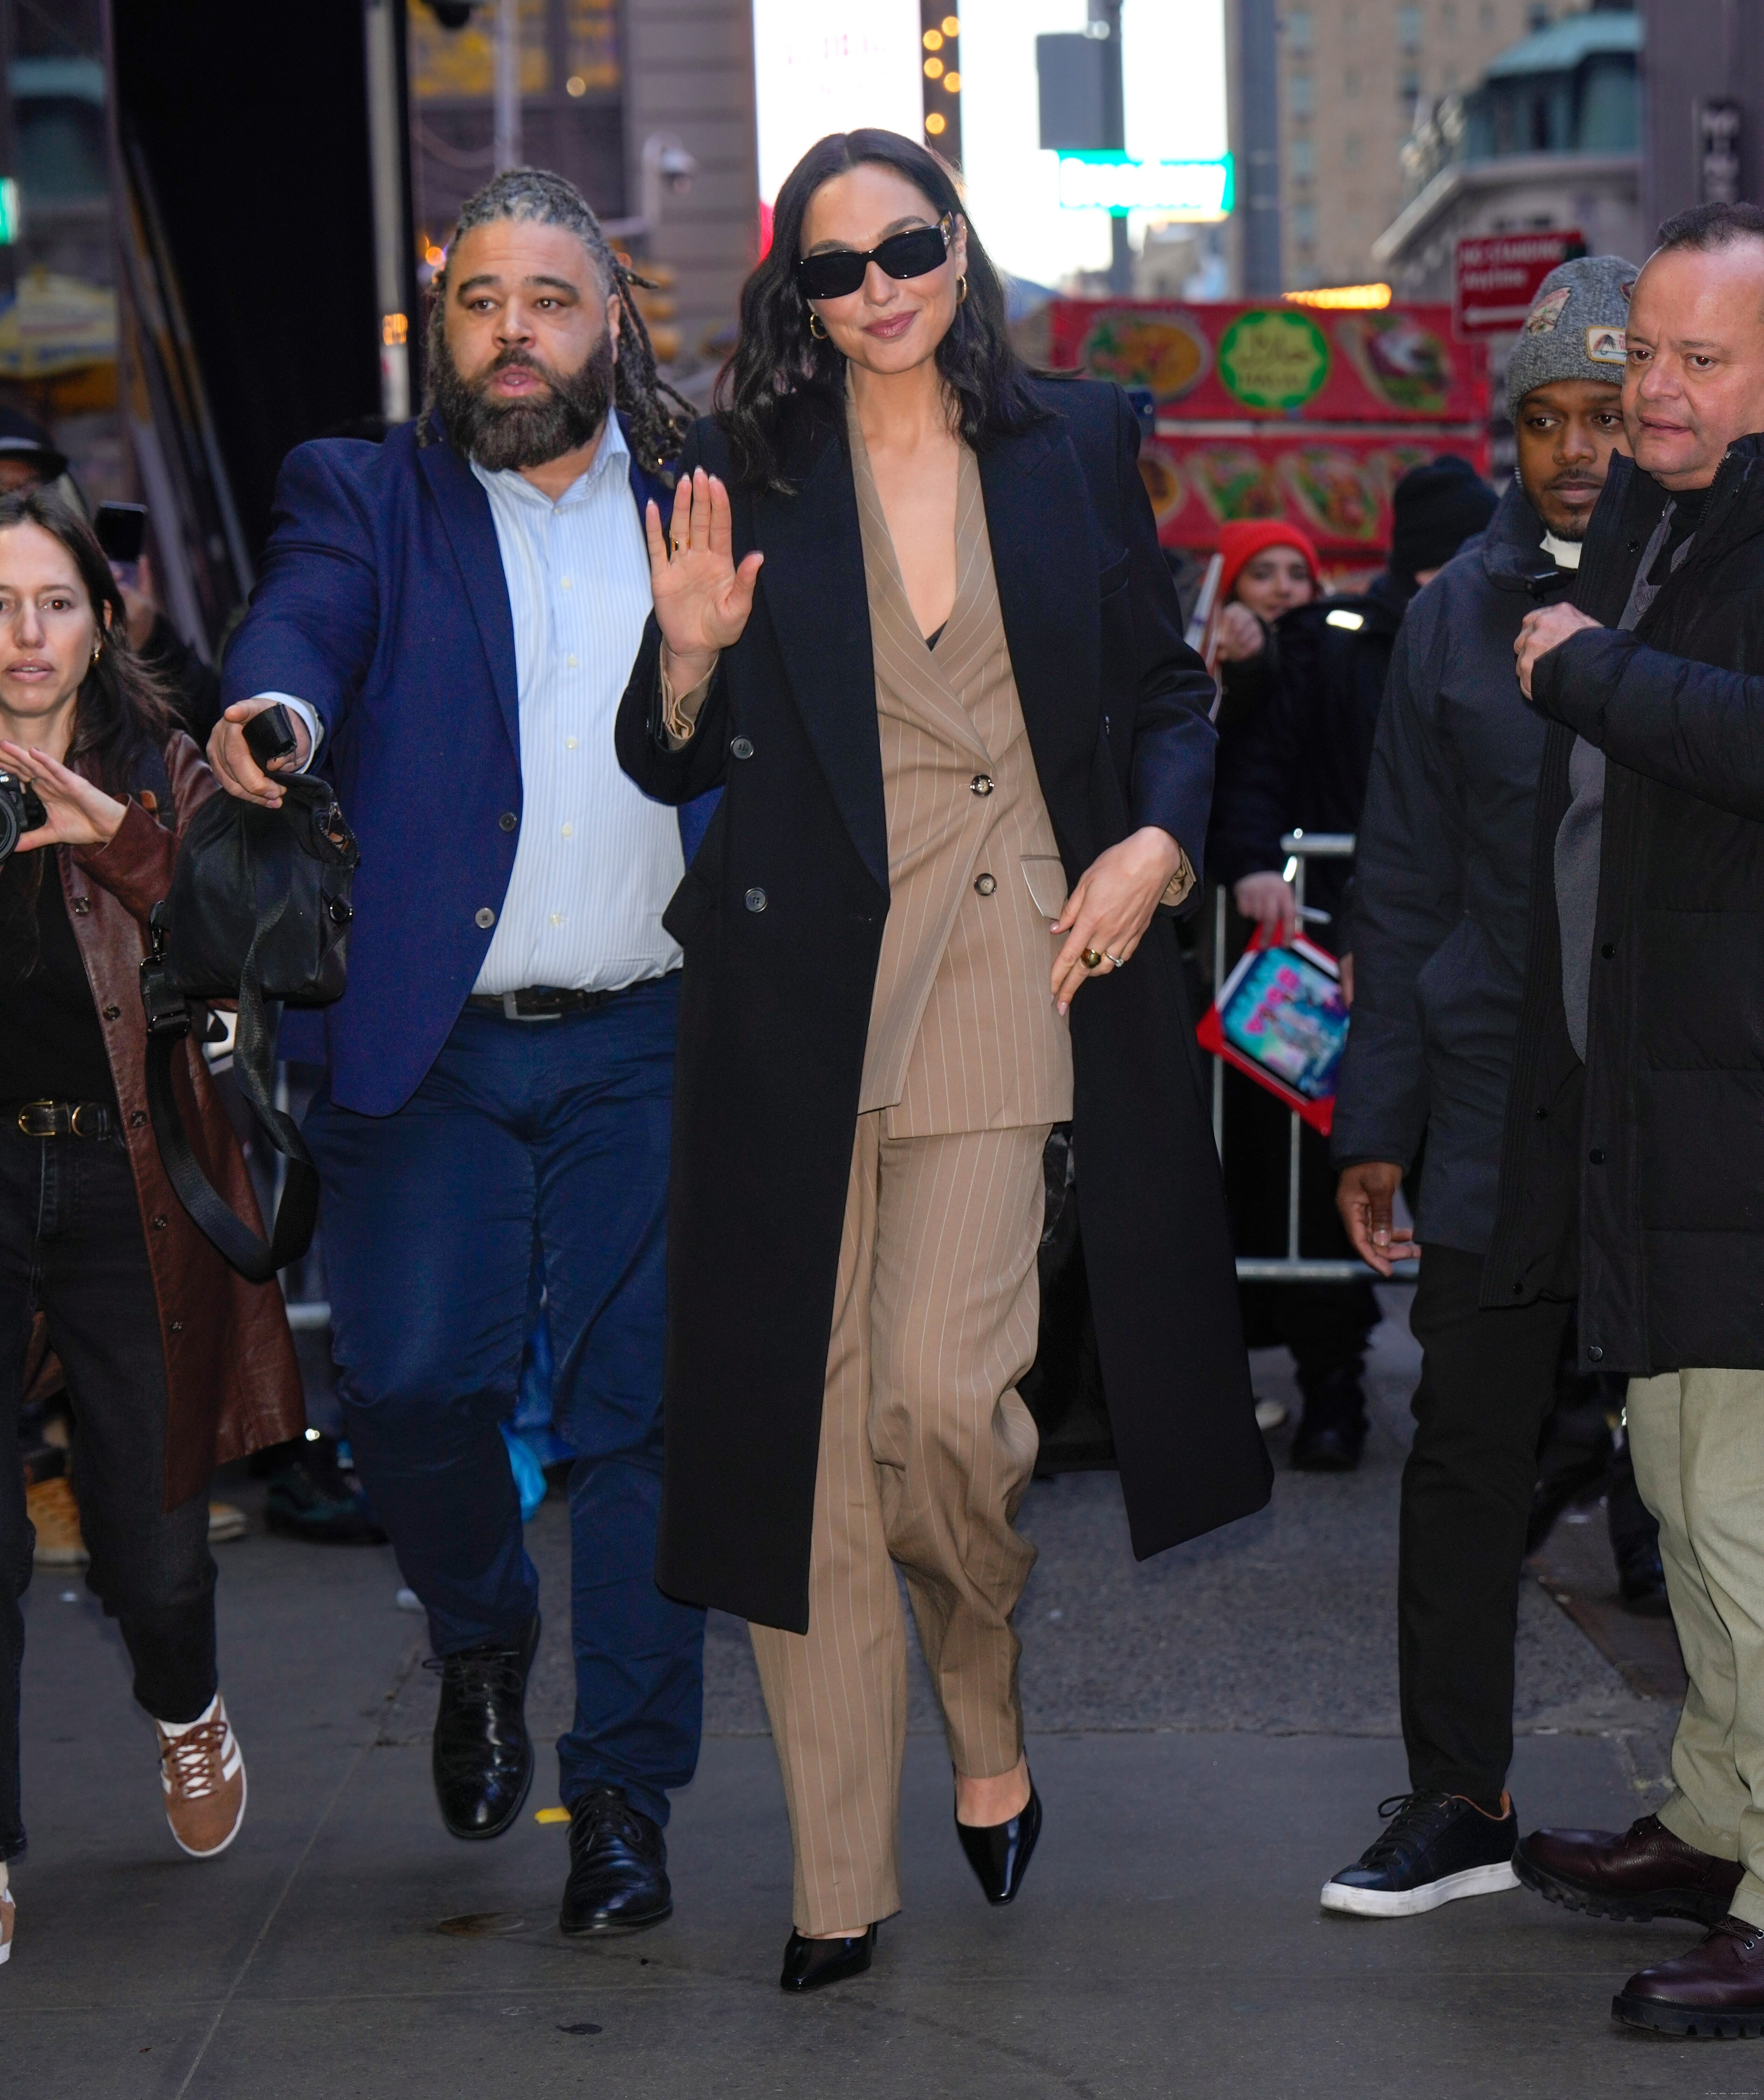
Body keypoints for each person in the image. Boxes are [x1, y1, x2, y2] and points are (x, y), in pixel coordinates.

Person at [614, 127, 1270, 1993]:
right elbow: (667, 753)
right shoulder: (742, 468)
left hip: (1009, 958)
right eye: (833, 269)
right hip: (796, 992)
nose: (878, 289)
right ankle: (837, 1874)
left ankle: (979, 1693)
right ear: (797, 297)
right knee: (800, 1441)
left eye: (905, 248)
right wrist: (684, 659)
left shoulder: (1071, 440)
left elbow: (1163, 688)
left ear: (957, 247)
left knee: (934, 1414)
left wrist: (1153, 843)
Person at [210, 167, 709, 1937]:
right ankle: (482, 1630)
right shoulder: (364, 494)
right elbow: (301, 624)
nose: (511, 333)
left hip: (653, 1037)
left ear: (609, 322)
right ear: (442, 327)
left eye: (547, 300)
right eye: (479, 301)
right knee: (414, 1391)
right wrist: (273, 712)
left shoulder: (700, 498)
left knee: (642, 1427)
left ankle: (625, 1801)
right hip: (427, 1051)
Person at [1319, 254, 1640, 1917]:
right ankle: (1456, 1798)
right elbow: (1396, 885)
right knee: (1460, 1452)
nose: (1575, 450)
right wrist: (1370, 1122)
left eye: (1605, 414)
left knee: (1697, 1471)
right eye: (1543, 420)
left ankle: (1714, 1809)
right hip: (1487, 1095)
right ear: (1504, 432)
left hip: (1673, 1103)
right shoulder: (1447, 612)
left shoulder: (1706, 581)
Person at [1493, 201, 1764, 2037]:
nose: (1650, 388)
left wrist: (1580, 662)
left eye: (1697, 359)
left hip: (1737, 1114)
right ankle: (1718, 1820)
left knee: (1738, 1517)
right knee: (1677, 1494)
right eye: (1640, 352)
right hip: (1663, 1110)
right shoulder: (1669, 521)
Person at [0, 490, 305, 1967]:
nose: (24, 634)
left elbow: (258, 948)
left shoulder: (163, 764)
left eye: (53, 601)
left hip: (128, 1185)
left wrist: (120, 837)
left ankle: (185, 1704)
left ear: (100, 618)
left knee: (152, 1550)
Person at [1208, 457, 1498, 1468]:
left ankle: (1481, 1405)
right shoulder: (1329, 646)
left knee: (1469, 1181)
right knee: (1320, 1179)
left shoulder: (1525, 639)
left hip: (1476, 963)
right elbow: (1259, 766)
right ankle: (1331, 1382)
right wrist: (1253, 862)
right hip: (1343, 963)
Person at [1208, 518, 1320, 735]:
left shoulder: (1338, 648)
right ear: (1232, 587)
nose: (1284, 588)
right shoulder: (1206, 662)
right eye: (1262, 575)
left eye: (1298, 575)